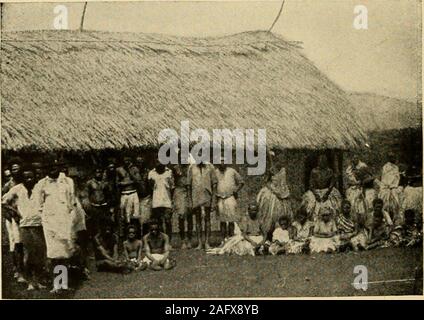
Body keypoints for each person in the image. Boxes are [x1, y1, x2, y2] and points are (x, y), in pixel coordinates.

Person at [37, 159, 76, 292]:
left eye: (54, 166)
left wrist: (70, 221)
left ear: (59, 167)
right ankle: (56, 285)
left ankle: (64, 283)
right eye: (48, 166)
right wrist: (46, 221)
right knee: (54, 255)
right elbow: (39, 205)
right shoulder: (42, 184)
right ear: (45, 169)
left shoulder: (68, 182)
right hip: (50, 224)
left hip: (64, 222)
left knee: (64, 255)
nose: (52, 169)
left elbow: (71, 202)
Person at [2, 169, 41, 286]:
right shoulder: (17, 188)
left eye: (31, 177)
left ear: (35, 177)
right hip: (25, 225)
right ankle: (29, 281)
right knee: (28, 254)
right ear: (22, 178)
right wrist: (15, 212)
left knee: (38, 253)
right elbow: (3, 202)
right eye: (26, 177)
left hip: (39, 224)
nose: (29, 179)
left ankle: (37, 280)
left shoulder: (39, 187)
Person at [186, 161, 217, 250]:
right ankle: (199, 243)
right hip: (196, 197)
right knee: (198, 220)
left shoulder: (210, 167)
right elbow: (188, 185)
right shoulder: (191, 167)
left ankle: (207, 242)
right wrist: (190, 201)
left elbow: (214, 184)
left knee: (207, 219)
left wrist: (214, 199)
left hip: (207, 196)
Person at [256, 167, 293, 240]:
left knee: (279, 216)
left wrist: (279, 191)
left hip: (280, 196)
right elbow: (266, 181)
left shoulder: (282, 170)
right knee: (268, 215)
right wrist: (270, 186)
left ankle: (279, 237)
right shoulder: (271, 170)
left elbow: (282, 186)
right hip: (270, 194)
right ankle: (266, 236)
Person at [302, 155, 342, 221]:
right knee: (311, 203)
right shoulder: (314, 171)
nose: (322, 162)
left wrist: (327, 193)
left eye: (324, 161)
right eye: (320, 161)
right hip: (316, 191)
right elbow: (311, 184)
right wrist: (315, 194)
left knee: (333, 204)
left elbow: (332, 183)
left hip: (327, 190)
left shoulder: (329, 171)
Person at [215, 162, 244, 244]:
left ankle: (231, 239)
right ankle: (223, 239)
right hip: (220, 198)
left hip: (230, 197)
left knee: (231, 219)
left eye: (223, 162)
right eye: (220, 162)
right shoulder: (215, 172)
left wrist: (236, 190)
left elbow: (241, 182)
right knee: (222, 220)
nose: (222, 164)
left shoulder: (232, 171)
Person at [345, 154, 376, 225]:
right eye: (353, 159)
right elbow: (348, 181)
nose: (354, 160)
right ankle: (354, 220)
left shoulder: (363, 166)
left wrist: (363, 182)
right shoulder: (350, 168)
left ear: (358, 159)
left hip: (362, 186)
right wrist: (353, 184)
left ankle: (365, 220)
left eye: (356, 159)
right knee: (352, 200)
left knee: (364, 201)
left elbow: (371, 177)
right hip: (354, 187)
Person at [148, 162, 175, 243]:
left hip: (167, 201)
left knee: (168, 221)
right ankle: (161, 242)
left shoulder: (169, 172)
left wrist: (172, 200)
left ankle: (168, 242)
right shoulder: (151, 173)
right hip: (156, 202)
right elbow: (150, 188)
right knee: (158, 222)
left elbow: (172, 187)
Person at [116, 156, 142, 237]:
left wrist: (129, 176)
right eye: (124, 160)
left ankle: (136, 235)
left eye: (128, 160)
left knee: (135, 215)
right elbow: (117, 183)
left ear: (130, 161)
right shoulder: (119, 169)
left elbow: (138, 180)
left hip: (133, 193)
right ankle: (126, 235)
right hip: (124, 194)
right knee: (124, 216)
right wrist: (125, 183)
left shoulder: (134, 169)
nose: (126, 162)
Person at [85, 167, 113, 239]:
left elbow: (109, 195)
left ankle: (105, 240)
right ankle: (95, 240)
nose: (98, 174)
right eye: (97, 172)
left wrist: (109, 205)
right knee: (94, 224)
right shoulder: (90, 183)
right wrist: (89, 205)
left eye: (100, 172)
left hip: (104, 206)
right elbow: (87, 195)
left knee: (104, 224)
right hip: (94, 206)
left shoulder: (105, 183)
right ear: (94, 173)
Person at [375, 154, 403, 225]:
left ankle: (395, 220)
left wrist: (394, 186)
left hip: (394, 188)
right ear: (389, 158)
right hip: (386, 189)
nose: (394, 159)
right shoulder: (385, 167)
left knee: (397, 205)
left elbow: (397, 178)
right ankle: (387, 221)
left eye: (394, 157)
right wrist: (388, 186)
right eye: (392, 157)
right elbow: (384, 179)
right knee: (385, 206)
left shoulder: (396, 167)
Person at [172, 163, 192, 249]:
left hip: (190, 191)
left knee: (190, 216)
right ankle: (183, 240)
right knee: (181, 216)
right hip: (179, 191)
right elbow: (172, 181)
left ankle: (190, 240)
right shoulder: (176, 167)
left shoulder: (191, 167)